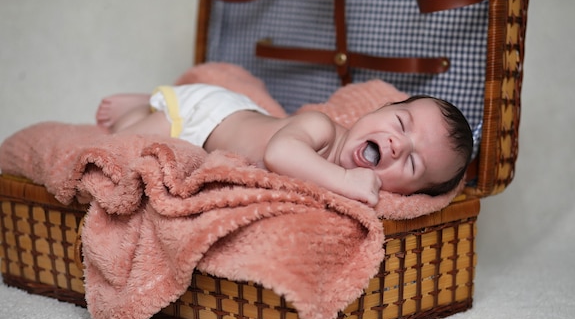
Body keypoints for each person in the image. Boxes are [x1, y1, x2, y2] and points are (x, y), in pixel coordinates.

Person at [96, 84, 473, 206]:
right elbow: (279, 155)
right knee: (124, 143)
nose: (395, 147)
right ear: (379, 109)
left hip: (245, 123)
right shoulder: (321, 127)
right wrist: (345, 180)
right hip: (202, 117)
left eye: (411, 165)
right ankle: (142, 103)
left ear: (410, 194)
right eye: (400, 124)